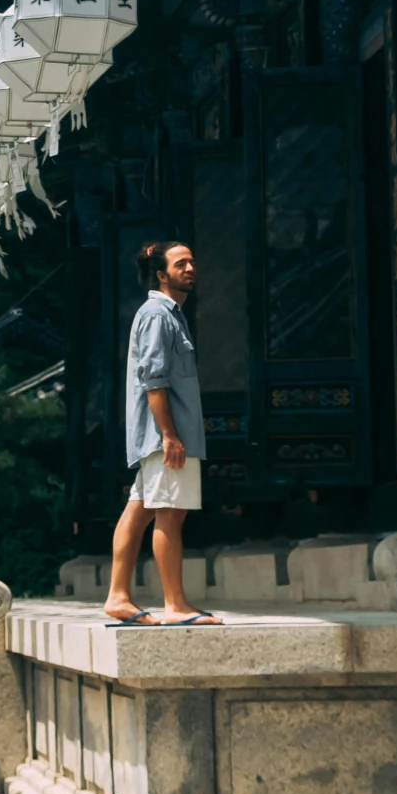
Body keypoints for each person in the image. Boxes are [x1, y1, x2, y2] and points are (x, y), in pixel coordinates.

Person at [103, 239, 220, 628]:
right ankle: (176, 605)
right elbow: (153, 380)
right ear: (160, 274)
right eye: (180, 263)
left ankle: (118, 597)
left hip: (161, 436)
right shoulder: (158, 314)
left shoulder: (168, 314)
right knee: (170, 515)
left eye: (191, 261)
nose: (190, 268)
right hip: (167, 438)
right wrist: (170, 435)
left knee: (139, 512)